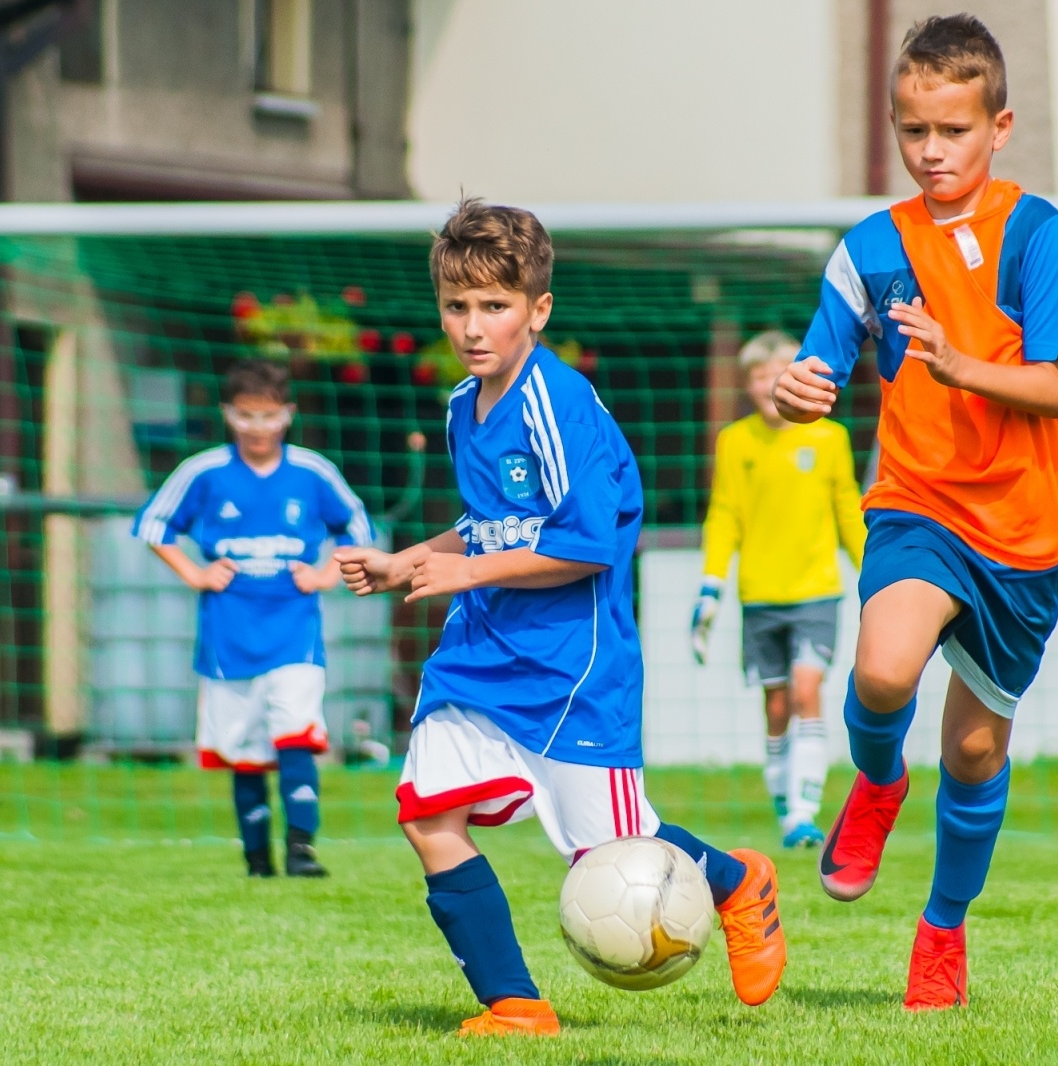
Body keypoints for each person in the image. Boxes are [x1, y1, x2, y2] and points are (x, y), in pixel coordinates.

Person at [334, 199, 786, 1037]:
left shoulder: (558, 402)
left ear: (538, 310)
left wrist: (466, 570)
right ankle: (515, 1005)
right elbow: (491, 524)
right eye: (457, 306)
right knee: (428, 816)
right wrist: (408, 559)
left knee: (616, 847)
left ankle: (737, 883)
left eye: (494, 305)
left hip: (571, 668)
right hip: (479, 652)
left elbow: (587, 544)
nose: (473, 326)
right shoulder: (462, 405)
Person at [773, 15, 1058, 1009]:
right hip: (916, 504)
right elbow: (820, 362)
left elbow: (1057, 388)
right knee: (880, 671)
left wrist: (961, 363)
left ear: (999, 126)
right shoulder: (870, 248)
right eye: (913, 131)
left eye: (953, 131)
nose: (932, 151)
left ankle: (943, 927)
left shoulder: (1035, 235)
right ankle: (876, 784)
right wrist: (798, 389)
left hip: (1025, 532)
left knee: (973, 747)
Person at [132, 358, 372, 878]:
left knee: (295, 733)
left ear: (288, 414)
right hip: (228, 634)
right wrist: (195, 573)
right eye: (245, 416)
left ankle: (302, 850)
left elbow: (356, 525)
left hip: (295, 631)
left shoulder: (311, 471)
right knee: (242, 748)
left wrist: (327, 574)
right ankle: (257, 858)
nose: (257, 427)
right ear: (228, 414)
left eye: (268, 416)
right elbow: (153, 525)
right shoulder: (203, 471)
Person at [692, 329, 867, 848]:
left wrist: (876, 575)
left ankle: (804, 815)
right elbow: (725, 516)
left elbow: (847, 508)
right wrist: (710, 588)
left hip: (816, 592)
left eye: (779, 373)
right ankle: (784, 803)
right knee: (775, 705)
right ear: (747, 384)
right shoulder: (735, 441)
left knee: (807, 692)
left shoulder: (829, 438)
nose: (769, 383)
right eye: (759, 375)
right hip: (760, 595)